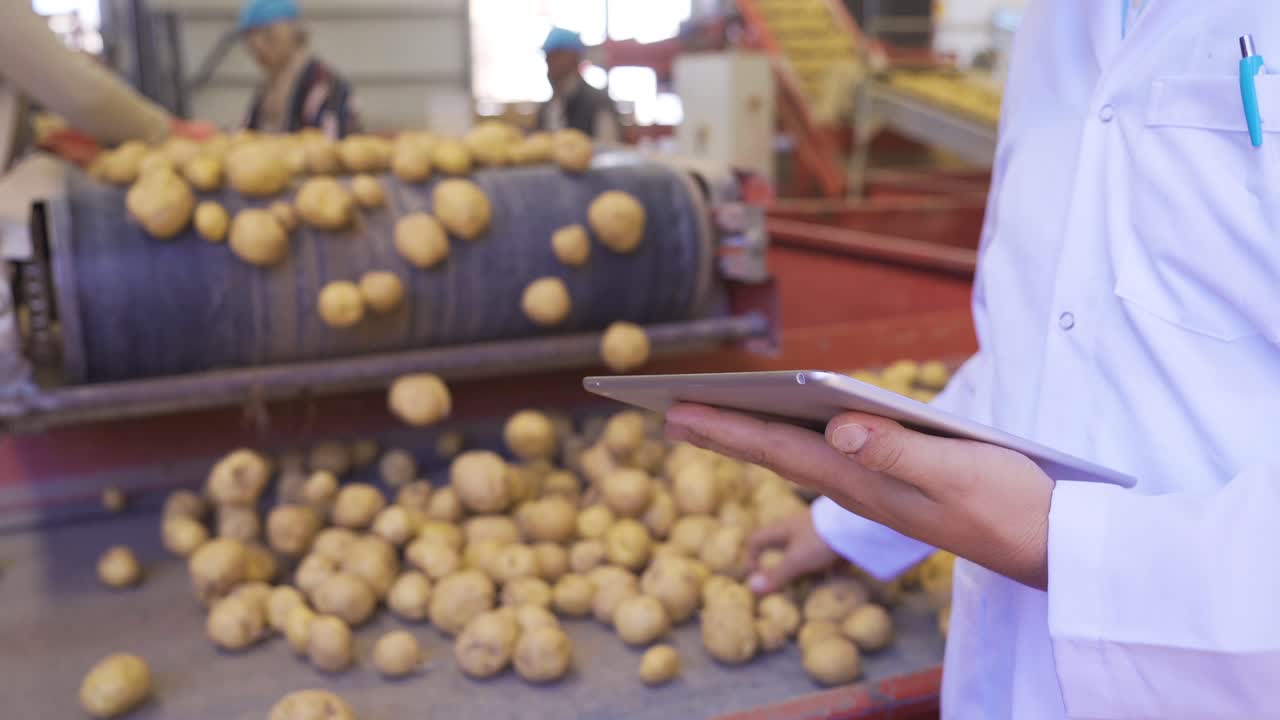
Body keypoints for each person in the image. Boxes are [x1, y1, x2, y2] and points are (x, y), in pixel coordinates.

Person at [665, 3, 1280, 718]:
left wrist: (1058, 544)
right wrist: (851, 518)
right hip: (1000, 673)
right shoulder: (1054, 22)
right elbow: (1032, 340)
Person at [238, 0, 357, 138]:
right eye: (250, 40)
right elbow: (246, 135)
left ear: (294, 30)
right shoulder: (265, 90)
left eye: (268, 34)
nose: (258, 45)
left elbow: (333, 143)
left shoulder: (324, 87)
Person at [536, 27, 621, 144]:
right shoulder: (548, 106)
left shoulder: (598, 103)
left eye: (555, 55)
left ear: (574, 56)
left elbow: (610, 146)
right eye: (547, 57)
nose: (549, 62)